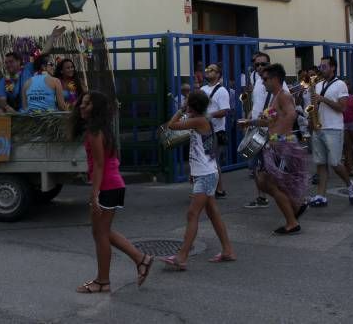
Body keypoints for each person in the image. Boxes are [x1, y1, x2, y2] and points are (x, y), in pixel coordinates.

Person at [70, 91, 153, 293]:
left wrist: (94, 194)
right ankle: (141, 259)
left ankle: (103, 281)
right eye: (82, 102)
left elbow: (99, 165)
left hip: (108, 186)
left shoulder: (95, 132)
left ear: (95, 109)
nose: (82, 106)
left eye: (87, 104)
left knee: (100, 235)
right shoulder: (100, 129)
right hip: (112, 184)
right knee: (102, 233)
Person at [163, 90, 235, 269]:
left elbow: (171, 126)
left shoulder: (199, 120)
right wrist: (194, 172)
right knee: (212, 213)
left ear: (192, 106)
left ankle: (182, 257)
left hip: (206, 175)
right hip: (205, 173)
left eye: (188, 103)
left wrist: (180, 110)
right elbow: (206, 149)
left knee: (192, 214)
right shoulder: (203, 121)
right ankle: (227, 250)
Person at [250, 64, 310, 234]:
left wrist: (277, 137)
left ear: (275, 79)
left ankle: (292, 222)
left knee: (272, 184)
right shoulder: (275, 97)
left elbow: (291, 115)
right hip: (276, 145)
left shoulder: (283, 96)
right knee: (263, 181)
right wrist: (250, 122)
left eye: (265, 79)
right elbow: (271, 120)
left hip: (281, 146)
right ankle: (296, 207)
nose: (263, 83)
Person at [307, 56, 353, 207]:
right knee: (320, 163)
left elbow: (342, 108)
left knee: (335, 163)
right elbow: (315, 106)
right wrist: (312, 118)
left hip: (333, 128)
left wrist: (323, 99)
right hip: (319, 127)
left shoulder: (340, 84)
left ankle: (350, 184)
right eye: (320, 66)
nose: (321, 69)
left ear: (333, 68)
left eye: (324, 66)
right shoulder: (318, 84)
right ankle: (321, 196)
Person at [239, 52, 272, 209]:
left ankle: (284, 196)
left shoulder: (275, 80)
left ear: (269, 64)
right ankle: (262, 197)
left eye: (263, 64)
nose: (259, 67)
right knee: (255, 166)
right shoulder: (258, 81)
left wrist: (268, 115)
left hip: (270, 131)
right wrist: (250, 115)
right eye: (256, 64)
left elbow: (285, 103)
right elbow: (257, 104)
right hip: (256, 128)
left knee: (269, 168)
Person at [200, 63, 231, 197]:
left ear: (218, 74)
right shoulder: (202, 89)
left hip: (216, 131)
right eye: (206, 70)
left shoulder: (222, 91)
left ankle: (217, 190)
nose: (207, 72)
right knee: (204, 161)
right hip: (203, 131)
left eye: (211, 70)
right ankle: (211, 189)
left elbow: (225, 111)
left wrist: (210, 115)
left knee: (213, 161)